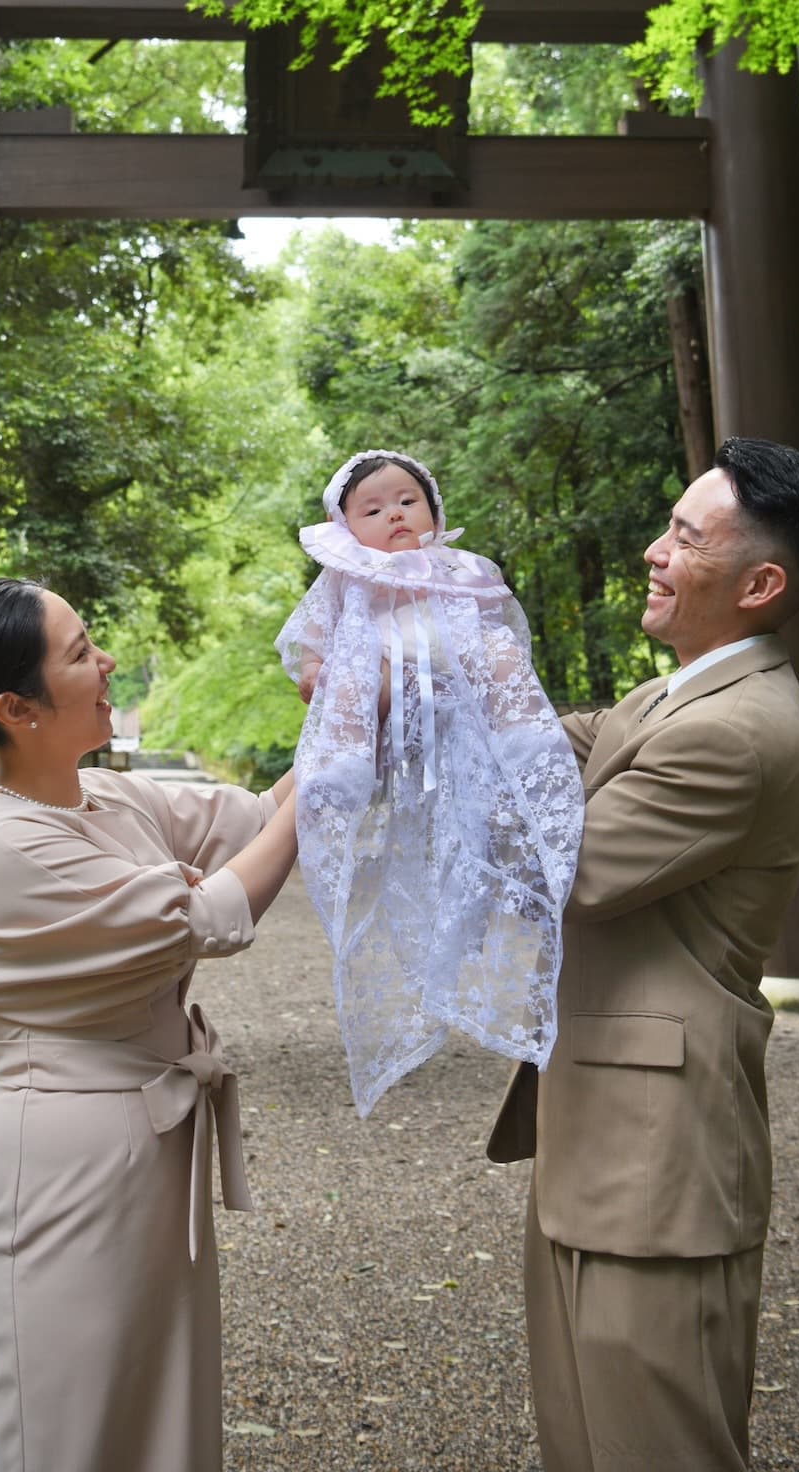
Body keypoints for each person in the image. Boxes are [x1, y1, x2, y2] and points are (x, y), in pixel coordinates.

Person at [488, 436, 799, 1472]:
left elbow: (570, 870)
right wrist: (427, 671)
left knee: (656, 1447)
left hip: (658, 1161)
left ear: (760, 582)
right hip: (600, 1141)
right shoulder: (678, 692)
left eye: (685, 535)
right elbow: (562, 738)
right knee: (580, 1441)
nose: (653, 548)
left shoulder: (735, 728)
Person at [0, 576, 299, 1472]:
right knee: (76, 1420)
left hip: (154, 1137)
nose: (108, 661)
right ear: (17, 707)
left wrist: (359, 698)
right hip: (72, 1155)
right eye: (82, 652)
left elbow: (261, 817)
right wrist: (330, 784)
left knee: (163, 1406)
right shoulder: (2, 846)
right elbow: (208, 916)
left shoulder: (108, 799)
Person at [276, 450, 583, 1116]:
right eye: (374, 508)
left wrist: (482, 677)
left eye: (408, 500)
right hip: (382, 662)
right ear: (344, 526)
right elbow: (315, 643)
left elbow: (502, 632)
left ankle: (523, 735)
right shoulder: (344, 580)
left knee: (496, 657)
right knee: (353, 678)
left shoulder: (462, 571)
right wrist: (318, 677)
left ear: (434, 512)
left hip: (450, 680)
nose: (394, 514)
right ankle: (345, 762)